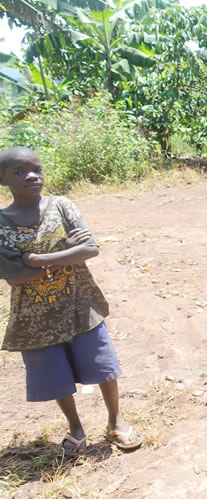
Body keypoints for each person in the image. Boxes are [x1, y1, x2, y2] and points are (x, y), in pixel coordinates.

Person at [0, 146, 142, 457]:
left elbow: (90, 249)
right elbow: (13, 275)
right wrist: (66, 252)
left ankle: (116, 420)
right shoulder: (2, 223)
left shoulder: (62, 206)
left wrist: (37, 259)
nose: (32, 175)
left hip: (81, 304)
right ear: (3, 179)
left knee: (103, 365)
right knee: (56, 375)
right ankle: (76, 427)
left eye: (36, 168)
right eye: (20, 171)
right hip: (35, 317)